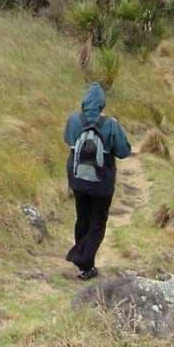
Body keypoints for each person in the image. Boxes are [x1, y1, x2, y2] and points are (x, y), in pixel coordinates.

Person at [63, 82, 132, 280]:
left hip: (77, 181)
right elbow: (124, 151)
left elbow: (68, 140)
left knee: (82, 218)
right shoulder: (110, 124)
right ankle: (84, 261)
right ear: (102, 104)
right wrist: (116, 127)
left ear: (84, 102)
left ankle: (84, 264)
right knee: (97, 223)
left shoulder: (74, 120)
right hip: (102, 183)